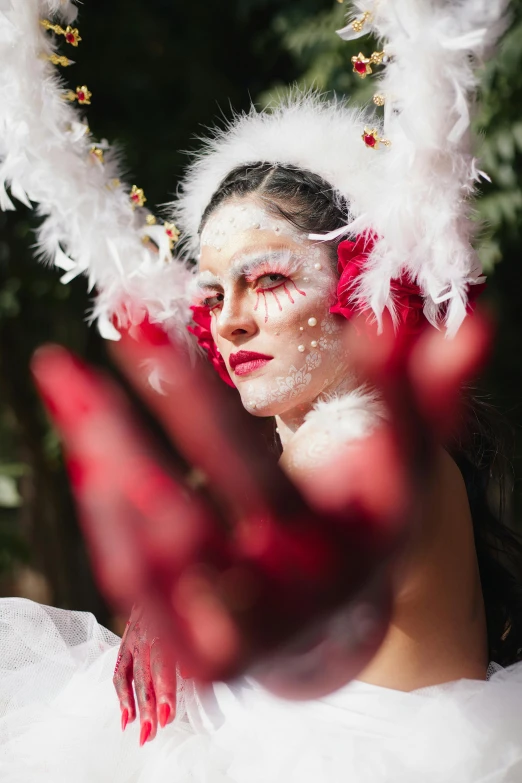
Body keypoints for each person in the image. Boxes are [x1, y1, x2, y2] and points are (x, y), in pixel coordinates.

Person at [1, 0, 522, 780]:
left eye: (270, 279)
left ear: (355, 290)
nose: (231, 321)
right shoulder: (313, 445)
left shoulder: (364, 441)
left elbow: (338, 523)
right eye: (211, 296)